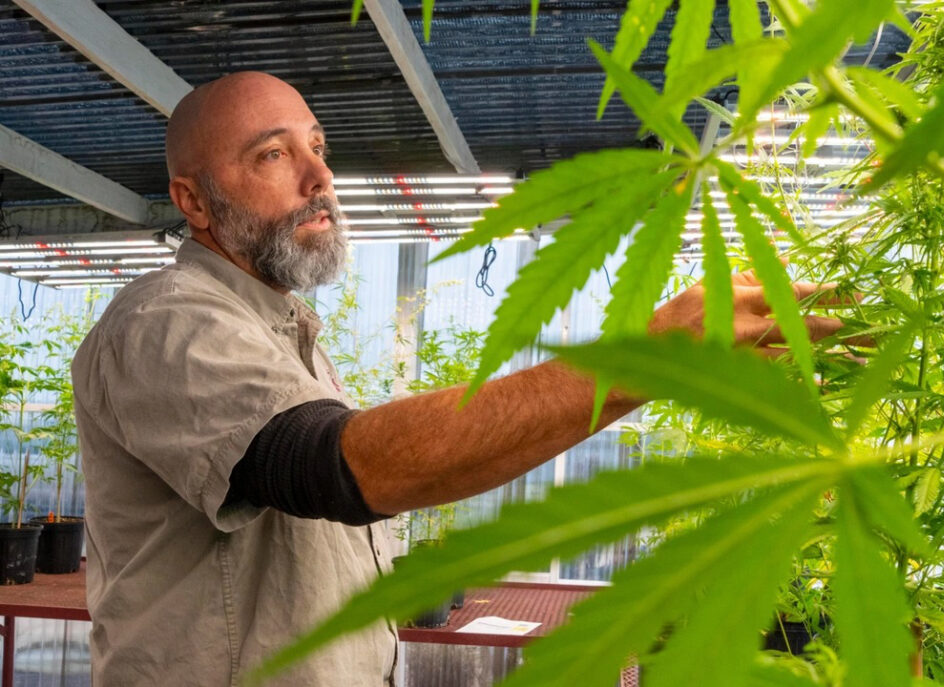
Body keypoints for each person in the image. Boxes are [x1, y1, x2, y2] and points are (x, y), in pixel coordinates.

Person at [71, 71, 844, 687]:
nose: (320, 177)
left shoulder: (283, 332)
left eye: (317, 145)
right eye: (273, 155)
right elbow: (334, 467)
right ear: (192, 201)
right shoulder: (166, 322)